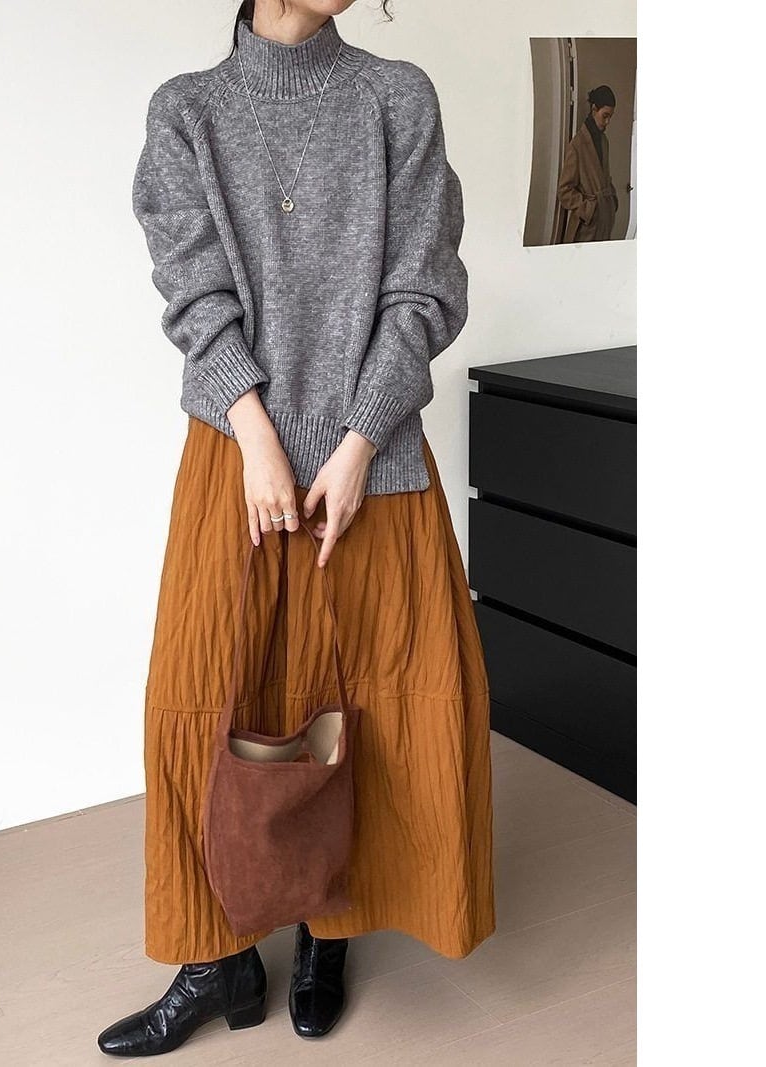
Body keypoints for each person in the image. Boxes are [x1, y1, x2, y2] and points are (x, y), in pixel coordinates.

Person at [98, 1, 495, 1055]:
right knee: (207, 695)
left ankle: (332, 927)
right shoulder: (187, 111)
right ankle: (215, 957)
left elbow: (424, 286)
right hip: (238, 461)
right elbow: (193, 292)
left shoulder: (395, 96)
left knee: (373, 702)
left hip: (378, 462)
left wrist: (358, 441)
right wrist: (256, 436)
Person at [558, 85, 620, 243]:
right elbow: (564, 191)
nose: (607, 122)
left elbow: (604, 178)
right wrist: (589, 209)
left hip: (604, 221)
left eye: (610, 117)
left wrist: (612, 200)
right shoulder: (577, 145)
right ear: (594, 109)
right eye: (605, 116)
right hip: (587, 227)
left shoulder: (604, 141)